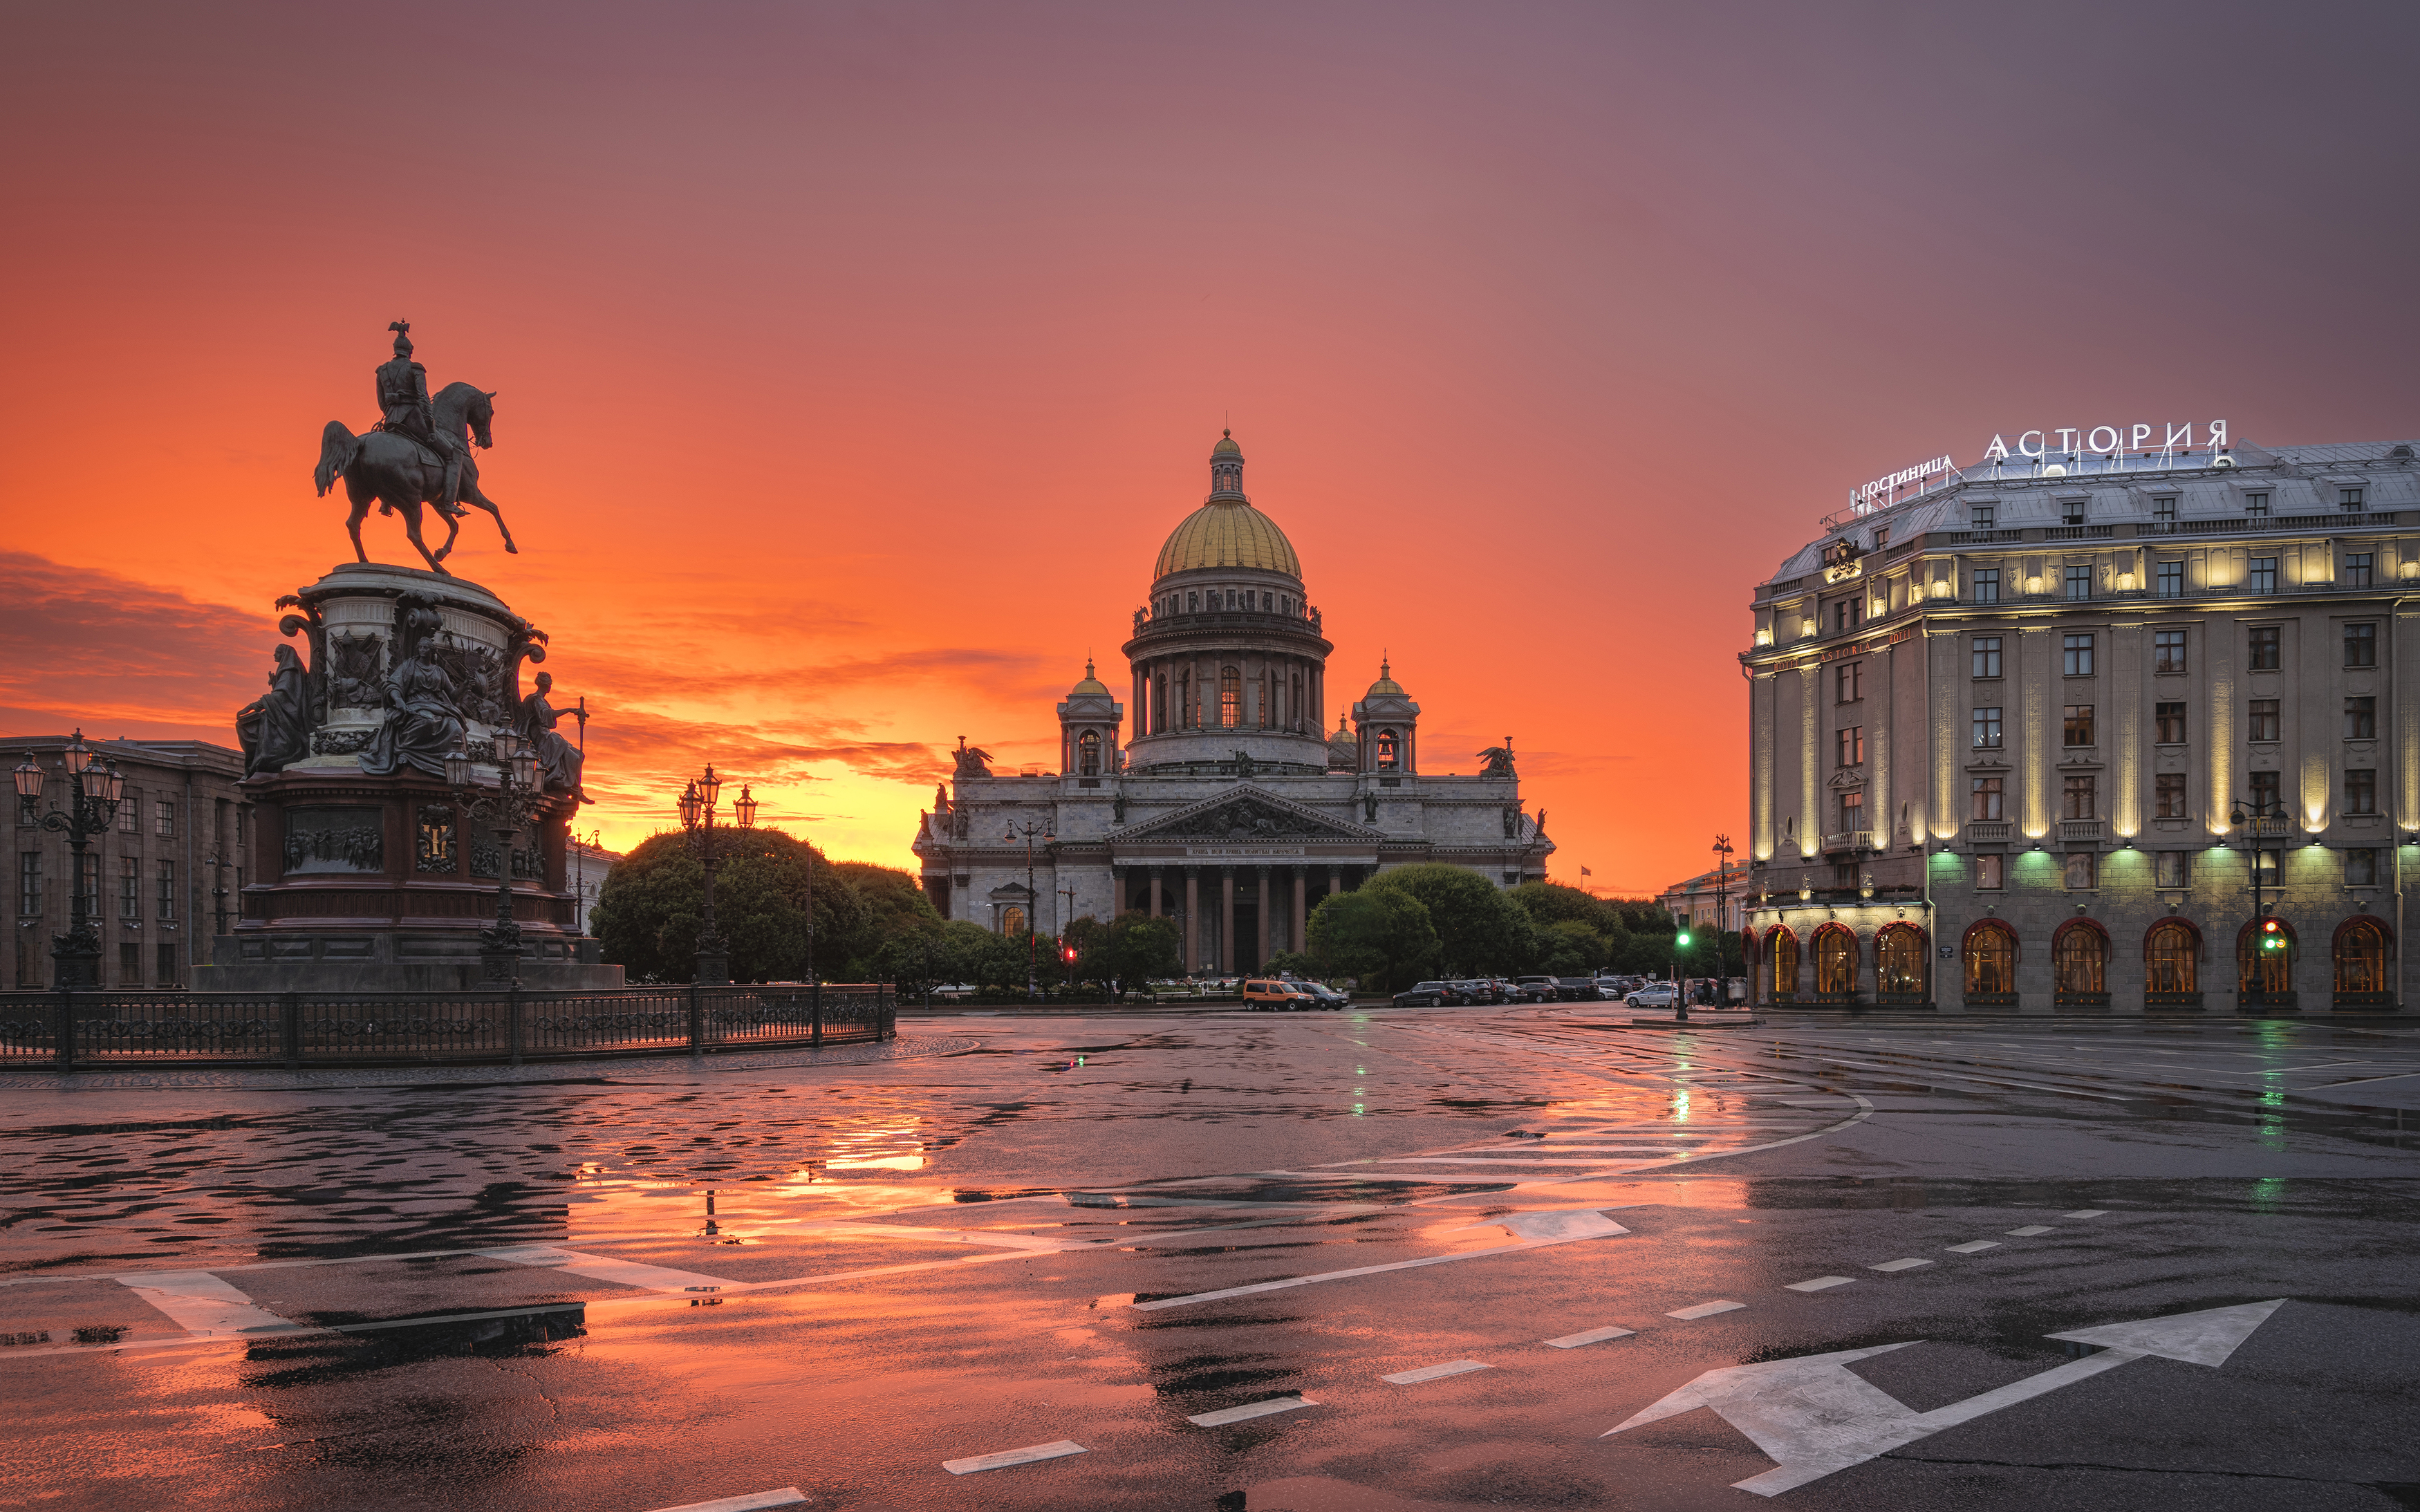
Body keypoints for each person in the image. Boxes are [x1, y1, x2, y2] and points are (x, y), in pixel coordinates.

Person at [374, 321, 467, 516]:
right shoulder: (415, 369)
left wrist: (392, 411)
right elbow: (423, 397)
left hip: (391, 421)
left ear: (395, 350)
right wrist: (430, 423)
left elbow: (382, 403)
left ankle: (385, 502)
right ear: (410, 352)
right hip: (413, 420)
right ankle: (449, 502)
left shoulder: (382, 371)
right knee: (454, 455)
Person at [235, 644, 313, 775]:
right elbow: (283, 696)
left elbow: (280, 696)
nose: (274, 655)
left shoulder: (289, 671)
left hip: (289, 718)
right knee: (244, 726)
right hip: (281, 714)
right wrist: (275, 684)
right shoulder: (287, 672)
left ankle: (261, 760)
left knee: (245, 726)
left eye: (277, 653)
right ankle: (256, 763)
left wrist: (252, 707)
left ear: (284, 655)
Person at [516, 671, 589, 801]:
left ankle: (576, 788)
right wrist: (569, 710)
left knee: (580, 756)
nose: (551, 687)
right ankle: (573, 788)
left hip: (548, 736)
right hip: (542, 737)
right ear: (546, 685)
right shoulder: (535, 699)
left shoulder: (540, 700)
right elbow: (546, 716)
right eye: (550, 684)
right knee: (575, 758)